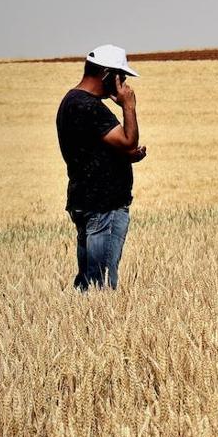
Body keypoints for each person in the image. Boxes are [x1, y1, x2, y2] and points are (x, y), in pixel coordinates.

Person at [55, 44, 147, 290]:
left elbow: (93, 151)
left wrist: (125, 156)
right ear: (107, 74)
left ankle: (79, 324)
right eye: (121, 76)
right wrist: (128, 105)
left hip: (85, 201)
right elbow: (129, 141)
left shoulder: (71, 102)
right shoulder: (90, 107)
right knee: (101, 285)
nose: (124, 84)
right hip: (103, 206)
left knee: (88, 283)